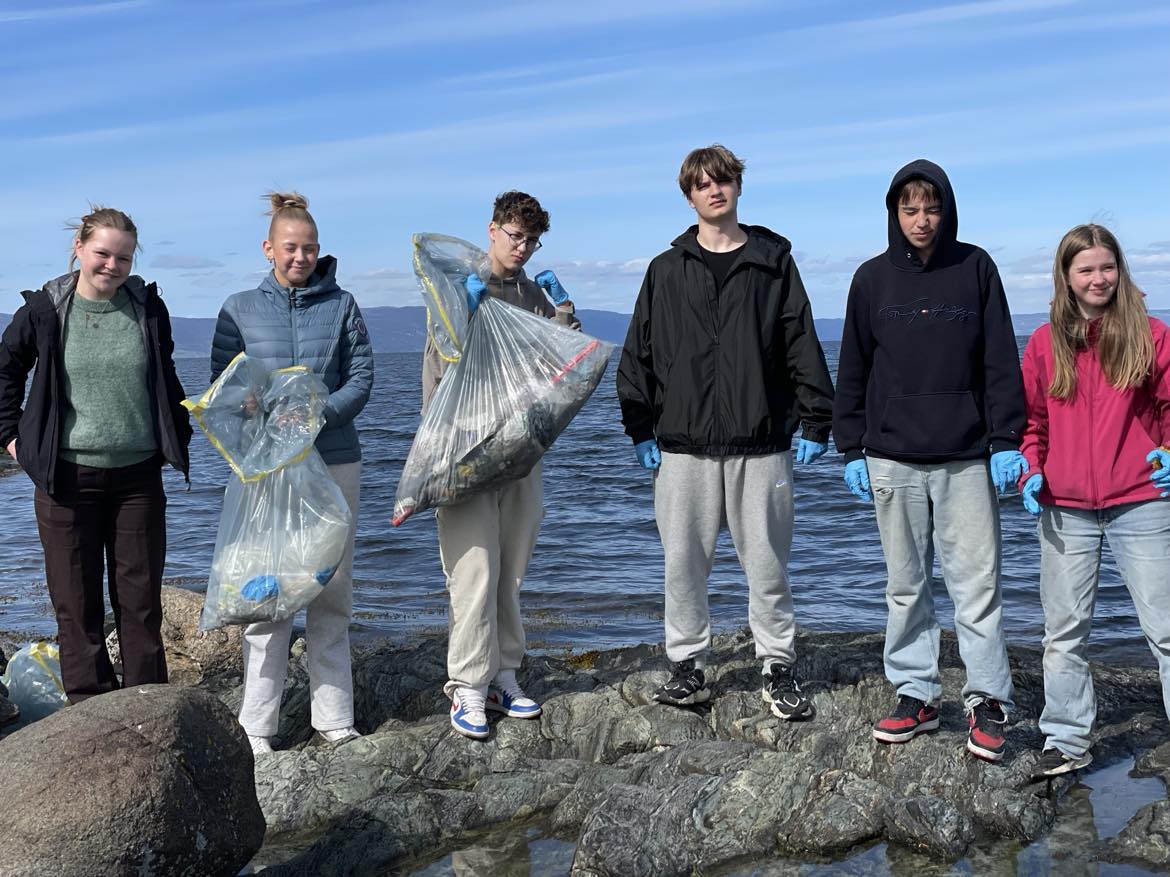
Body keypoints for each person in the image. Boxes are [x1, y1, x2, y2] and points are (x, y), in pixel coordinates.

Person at [616, 144, 835, 720]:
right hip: (682, 445)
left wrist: (818, 417)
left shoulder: (773, 262)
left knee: (767, 564)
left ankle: (778, 667)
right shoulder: (666, 270)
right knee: (682, 564)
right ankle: (687, 668)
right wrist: (639, 424)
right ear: (689, 195)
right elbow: (638, 350)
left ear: (739, 187)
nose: (715, 191)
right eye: (703, 185)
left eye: (724, 181)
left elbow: (799, 341)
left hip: (761, 441)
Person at [832, 159, 1027, 762]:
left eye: (931, 207)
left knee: (977, 585)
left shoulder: (976, 268)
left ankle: (987, 699)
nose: (921, 219)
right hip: (892, 457)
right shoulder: (870, 279)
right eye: (909, 208)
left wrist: (1005, 439)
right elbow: (854, 366)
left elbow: (999, 358)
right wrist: (851, 446)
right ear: (894, 212)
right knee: (906, 585)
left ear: (947, 210)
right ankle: (915, 692)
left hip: (967, 456)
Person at [0, 207, 191, 702]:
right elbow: (5, 373)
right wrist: (12, 438)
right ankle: (91, 713)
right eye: (102, 253)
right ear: (79, 249)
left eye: (123, 257)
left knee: (141, 604)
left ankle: (148, 706)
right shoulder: (45, 310)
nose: (112, 265)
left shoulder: (147, 309)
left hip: (138, 479)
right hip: (65, 479)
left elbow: (165, 378)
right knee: (76, 605)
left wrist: (185, 428)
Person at [211, 192, 373, 754]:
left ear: (319, 250)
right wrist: (254, 409)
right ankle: (258, 725)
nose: (299, 257)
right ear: (268, 249)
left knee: (332, 590)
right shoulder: (238, 307)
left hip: (335, 458)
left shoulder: (344, 305)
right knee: (268, 592)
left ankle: (335, 718)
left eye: (308, 248)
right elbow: (224, 383)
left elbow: (362, 377)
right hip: (265, 467)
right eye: (289, 248)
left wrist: (317, 413)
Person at [421, 190, 580, 739]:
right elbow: (443, 373)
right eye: (515, 236)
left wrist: (564, 314)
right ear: (492, 230)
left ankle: (505, 673)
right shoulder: (454, 289)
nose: (523, 248)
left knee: (510, 570)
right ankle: (466, 683)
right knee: (473, 570)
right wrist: (462, 319)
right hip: (463, 450)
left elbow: (561, 368)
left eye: (532, 240)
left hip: (521, 451)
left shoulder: (534, 295)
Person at [1019, 224, 1170, 778]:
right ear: (1066, 277)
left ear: (1119, 270)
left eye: (1107, 267)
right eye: (1086, 269)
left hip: (1141, 501)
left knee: (1166, 628)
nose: (1098, 277)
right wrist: (1030, 471)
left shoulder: (1152, 336)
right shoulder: (1042, 344)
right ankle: (1065, 740)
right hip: (1065, 507)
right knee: (1063, 632)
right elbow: (1031, 424)